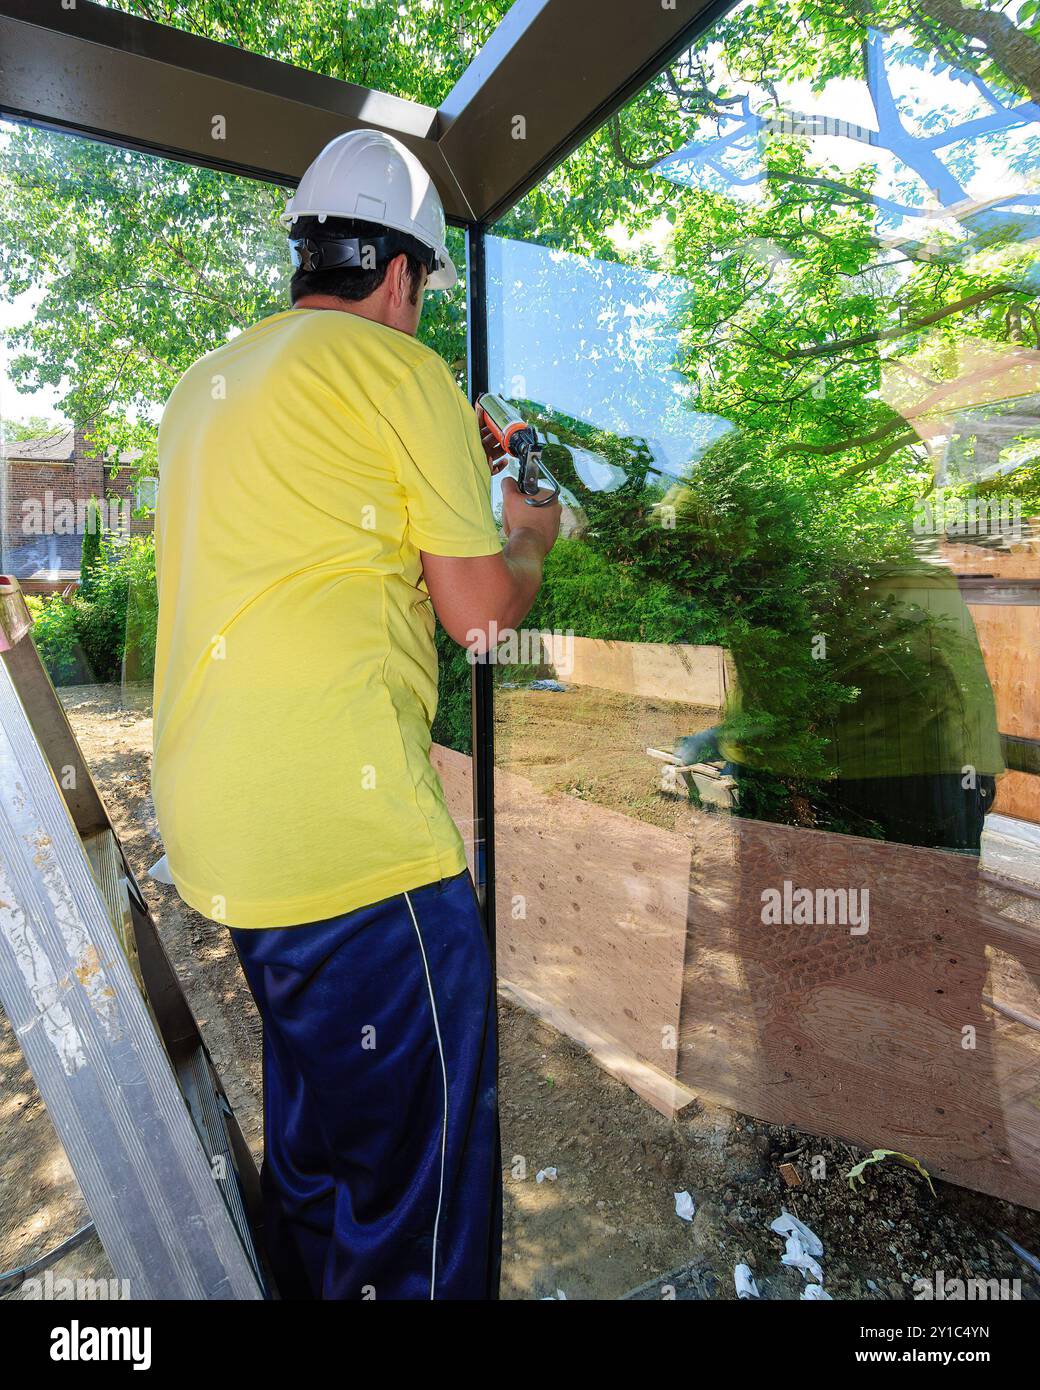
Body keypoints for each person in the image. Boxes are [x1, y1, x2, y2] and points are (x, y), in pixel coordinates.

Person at [152, 128, 561, 1300]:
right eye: (424, 290)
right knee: (419, 1197)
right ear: (400, 273)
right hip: (351, 850)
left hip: (230, 846)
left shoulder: (204, 387)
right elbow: (478, 617)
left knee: (327, 1142)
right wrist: (525, 534)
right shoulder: (400, 373)